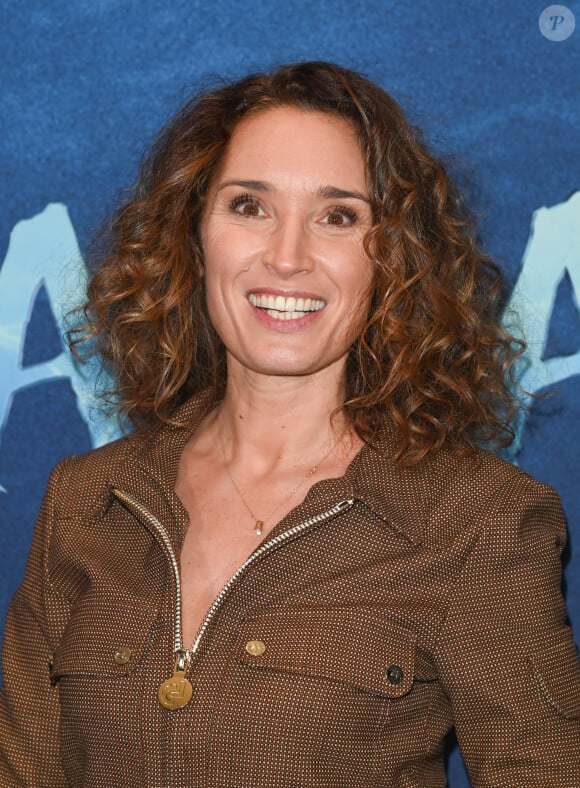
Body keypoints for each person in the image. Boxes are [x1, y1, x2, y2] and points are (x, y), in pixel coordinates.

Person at [1, 61, 579, 787]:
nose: (286, 256)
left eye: (338, 216)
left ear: (391, 257)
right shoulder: (86, 500)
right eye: (250, 206)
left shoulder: (478, 520)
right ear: (195, 233)